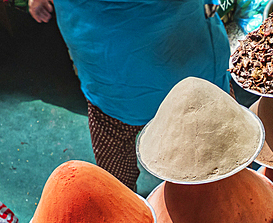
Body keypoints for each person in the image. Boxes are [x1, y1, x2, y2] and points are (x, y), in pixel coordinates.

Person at [28, 0, 231, 190]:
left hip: (109, 77)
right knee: (215, 151)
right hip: (183, 63)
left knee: (117, 176)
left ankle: (125, 206)